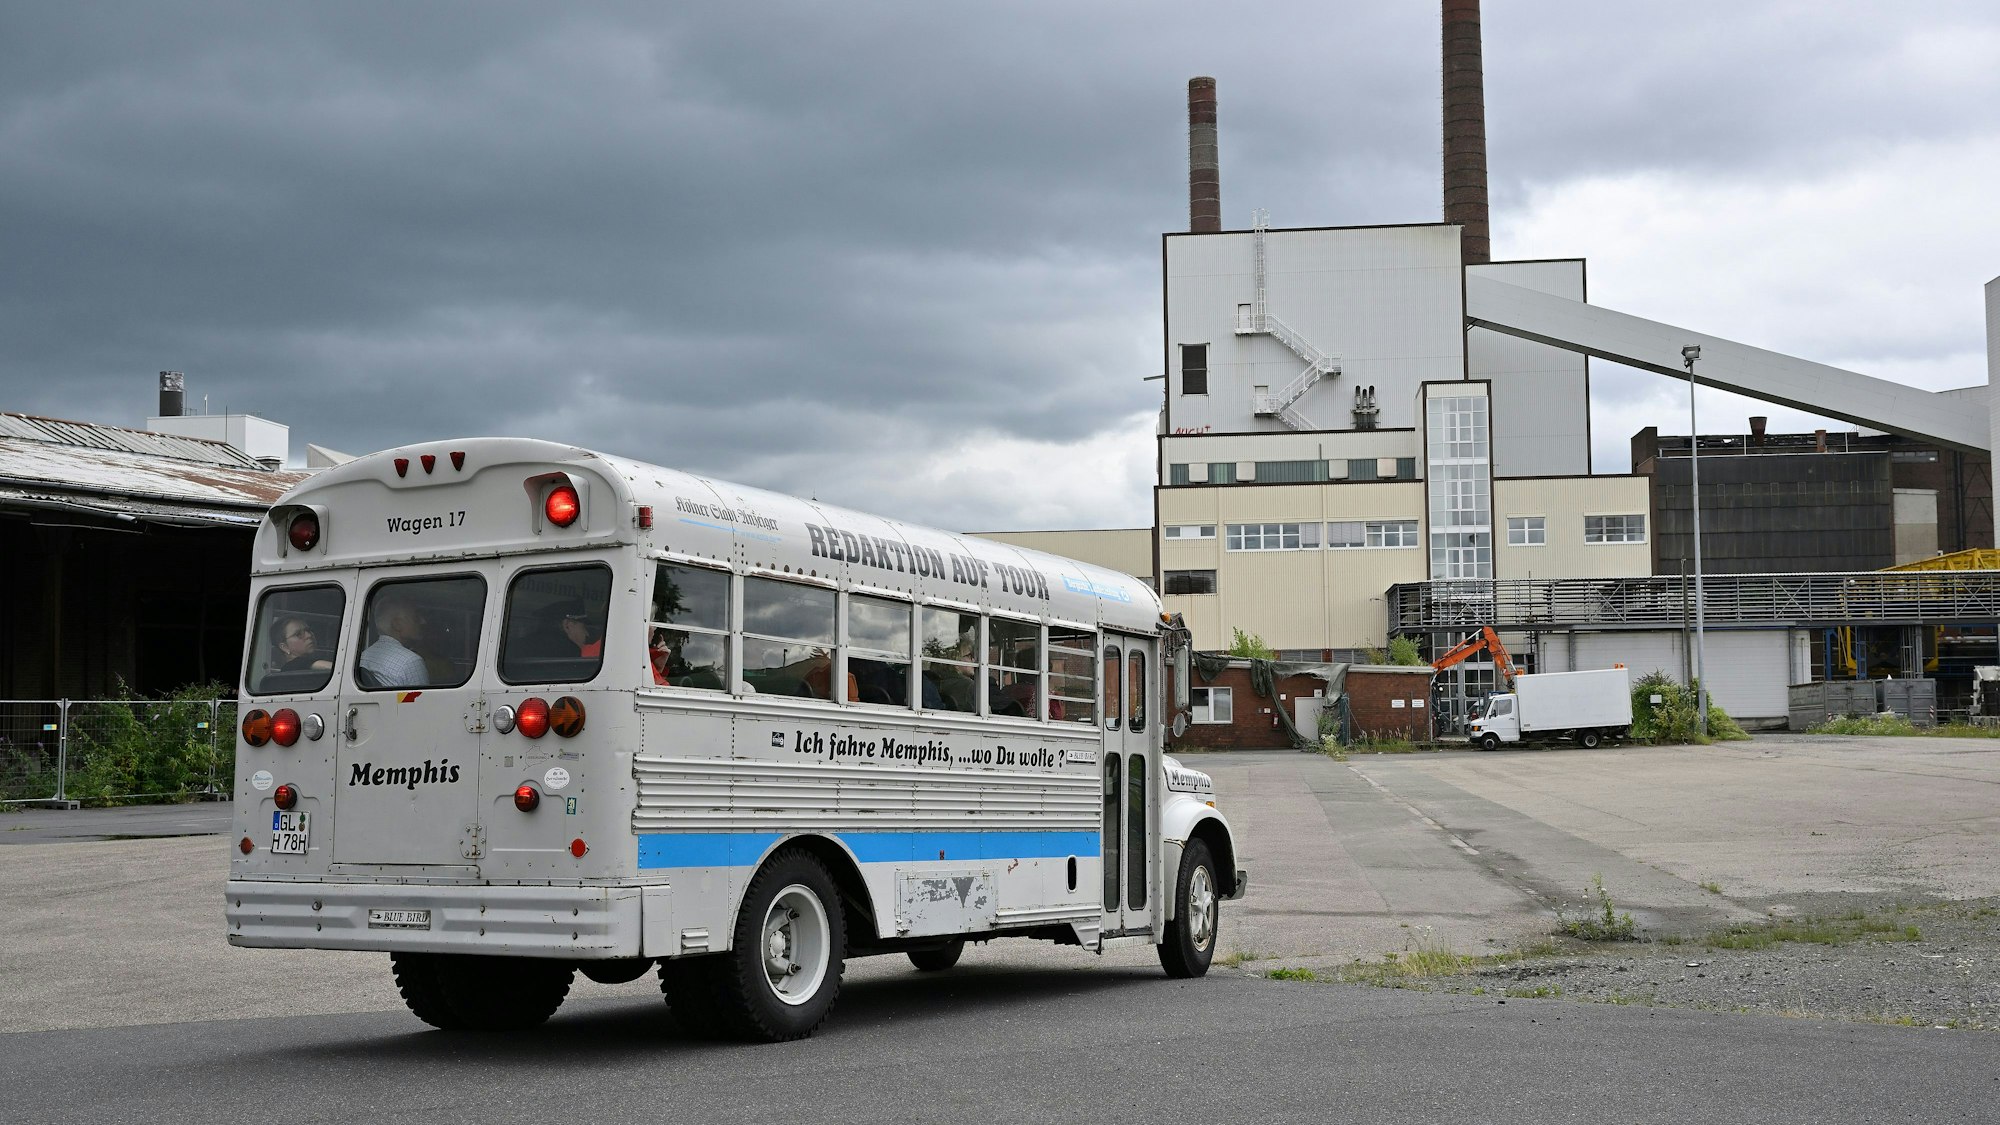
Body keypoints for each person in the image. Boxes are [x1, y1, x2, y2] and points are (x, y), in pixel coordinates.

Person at [358, 593, 429, 687]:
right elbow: (423, 701)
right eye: (416, 617)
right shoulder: (411, 662)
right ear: (397, 624)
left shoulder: (364, 655)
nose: (423, 621)